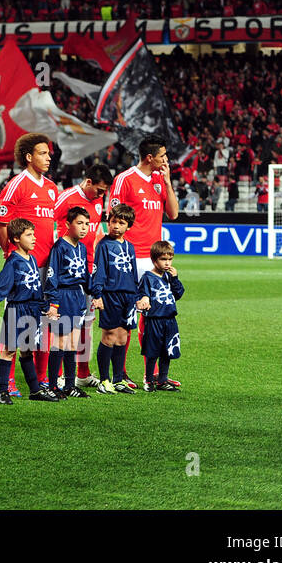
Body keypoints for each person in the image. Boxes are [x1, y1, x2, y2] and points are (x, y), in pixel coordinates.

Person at [104, 138, 178, 388]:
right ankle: (121, 372)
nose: (166, 160)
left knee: (154, 316)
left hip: (154, 259)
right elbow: (113, 217)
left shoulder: (159, 180)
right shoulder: (125, 179)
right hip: (130, 257)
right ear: (149, 158)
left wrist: (167, 182)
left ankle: (152, 374)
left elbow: (174, 213)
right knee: (127, 313)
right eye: (162, 155)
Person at [0, 132, 58, 395]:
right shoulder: (17, 185)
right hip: (23, 268)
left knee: (43, 324)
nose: (48, 157)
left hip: (45, 266)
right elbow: (0, 224)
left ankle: (40, 379)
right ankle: (7, 381)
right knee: (14, 325)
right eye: (43, 153)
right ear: (29, 157)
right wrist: (12, 254)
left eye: (49, 153)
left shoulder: (52, 188)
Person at [0, 217, 59, 404]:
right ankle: (3, 392)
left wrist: (46, 308)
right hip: (16, 310)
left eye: (33, 234)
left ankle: (34, 391)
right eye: (29, 235)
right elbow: (1, 285)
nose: (34, 238)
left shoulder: (32, 259)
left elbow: (36, 290)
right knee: (9, 351)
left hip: (32, 310)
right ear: (16, 238)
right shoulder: (13, 261)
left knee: (27, 351)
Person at [54, 163, 112, 391]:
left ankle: (83, 373)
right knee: (62, 324)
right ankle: (58, 375)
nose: (101, 195)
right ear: (88, 182)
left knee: (86, 323)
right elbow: (49, 225)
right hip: (67, 271)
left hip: (89, 269)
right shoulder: (66, 198)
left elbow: (96, 230)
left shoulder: (98, 201)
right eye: (99, 190)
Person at [89, 205, 140, 394]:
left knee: (122, 338)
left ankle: (119, 379)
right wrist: (98, 295)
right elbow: (98, 272)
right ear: (108, 222)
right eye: (113, 222)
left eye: (121, 223)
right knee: (109, 336)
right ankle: (104, 380)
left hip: (128, 296)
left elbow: (133, 274)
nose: (116, 226)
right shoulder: (103, 245)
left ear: (128, 226)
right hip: (110, 295)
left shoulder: (130, 247)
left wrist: (137, 296)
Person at [44, 206, 92, 400]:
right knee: (60, 342)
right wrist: (53, 303)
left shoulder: (81, 247)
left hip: (77, 297)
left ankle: (70, 385)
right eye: (79, 223)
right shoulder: (59, 247)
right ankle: (54, 385)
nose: (84, 228)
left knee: (73, 342)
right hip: (63, 296)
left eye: (87, 224)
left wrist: (95, 293)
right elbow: (52, 276)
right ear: (67, 225)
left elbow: (85, 275)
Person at [139, 241, 184, 392]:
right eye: (163, 259)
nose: (167, 263)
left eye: (170, 259)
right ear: (154, 260)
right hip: (154, 320)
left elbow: (178, 294)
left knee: (167, 350)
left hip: (170, 319)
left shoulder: (170, 277)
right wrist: (144, 299)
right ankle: (149, 380)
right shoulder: (147, 277)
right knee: (152, 351)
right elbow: (142, 294)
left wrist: (175, 279)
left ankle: (163, 380)